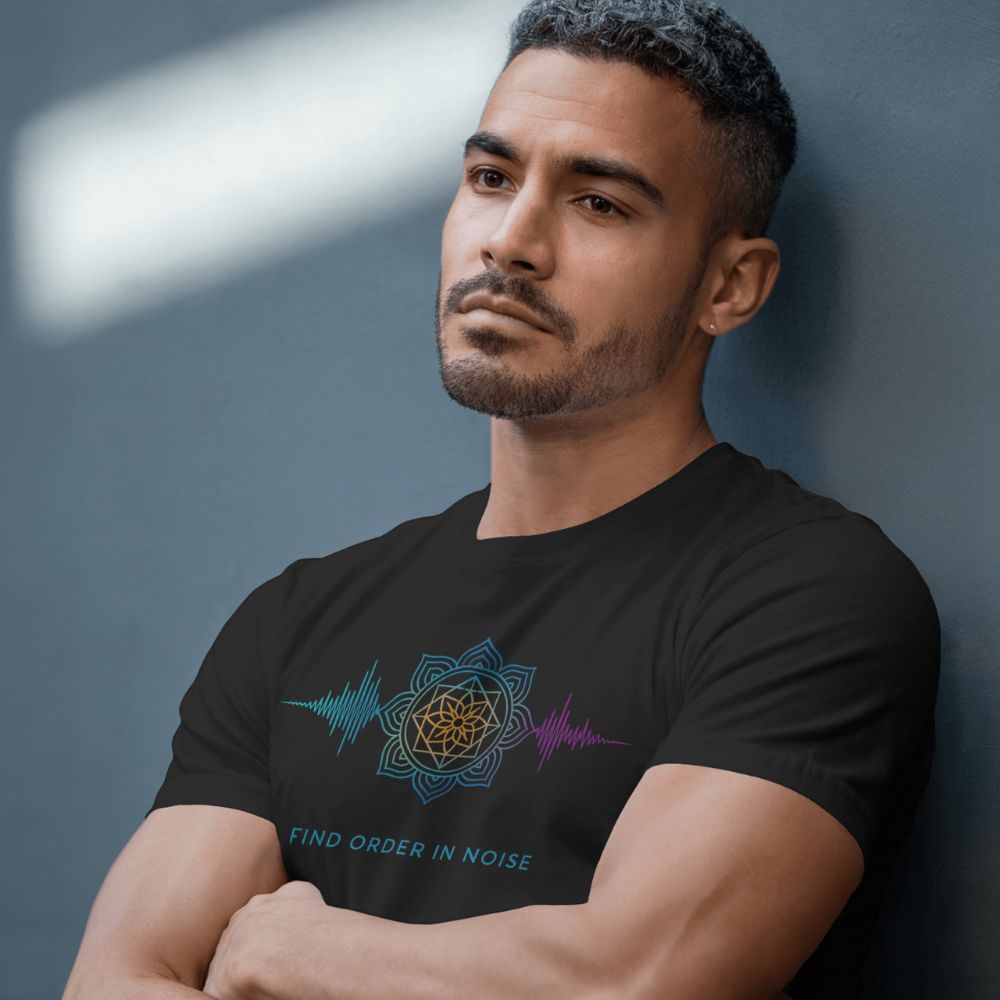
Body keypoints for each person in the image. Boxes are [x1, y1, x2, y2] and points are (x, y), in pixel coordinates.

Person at [62, 1, 940, 998]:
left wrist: (297, 953)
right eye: (491, 178)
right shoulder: (298, 620)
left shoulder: (807, 597)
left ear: (728, 286)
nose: (512, 241)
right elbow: (117, 980)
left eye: (598, 202)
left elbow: (636, 979)